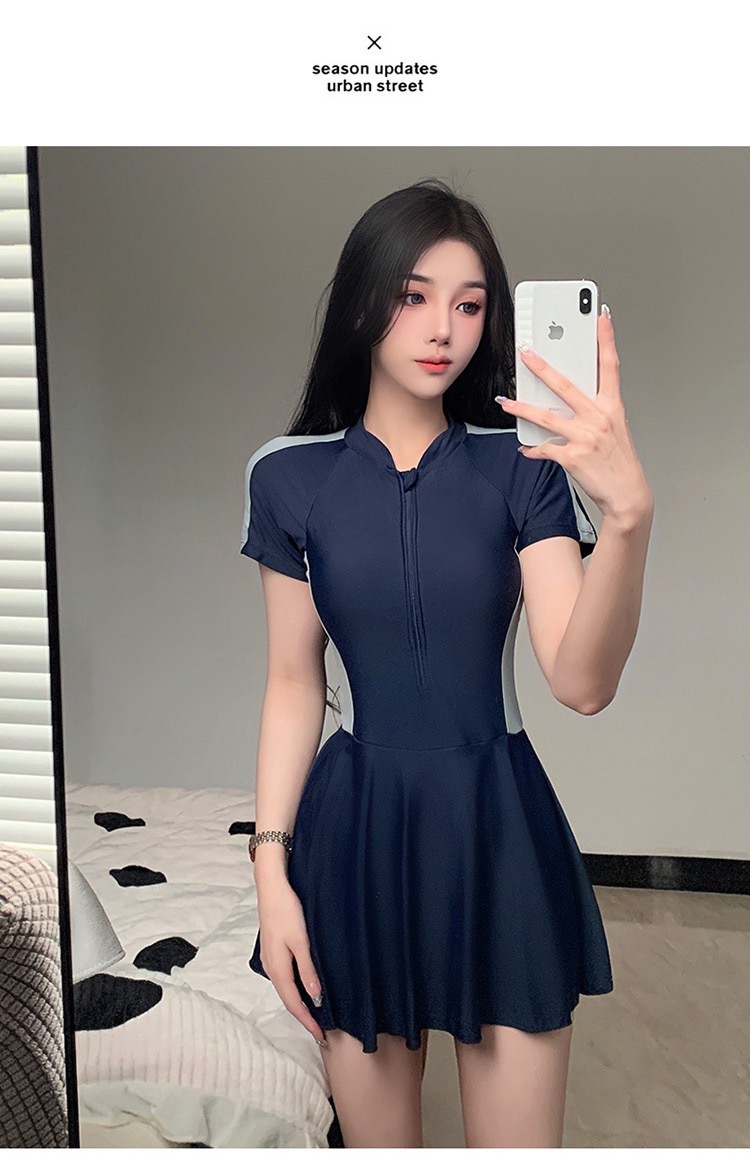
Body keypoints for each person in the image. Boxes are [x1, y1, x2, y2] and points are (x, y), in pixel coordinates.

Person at [240, 178, 654, 1147]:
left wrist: (629, 519)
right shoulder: (287, 475)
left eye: (470, 305)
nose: (443, 328)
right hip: (354, 838)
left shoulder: (523, 467)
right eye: (413, 295)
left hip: (498, 831)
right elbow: (294, 682)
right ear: (361, 300)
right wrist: (270, 872)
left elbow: (581, 682)